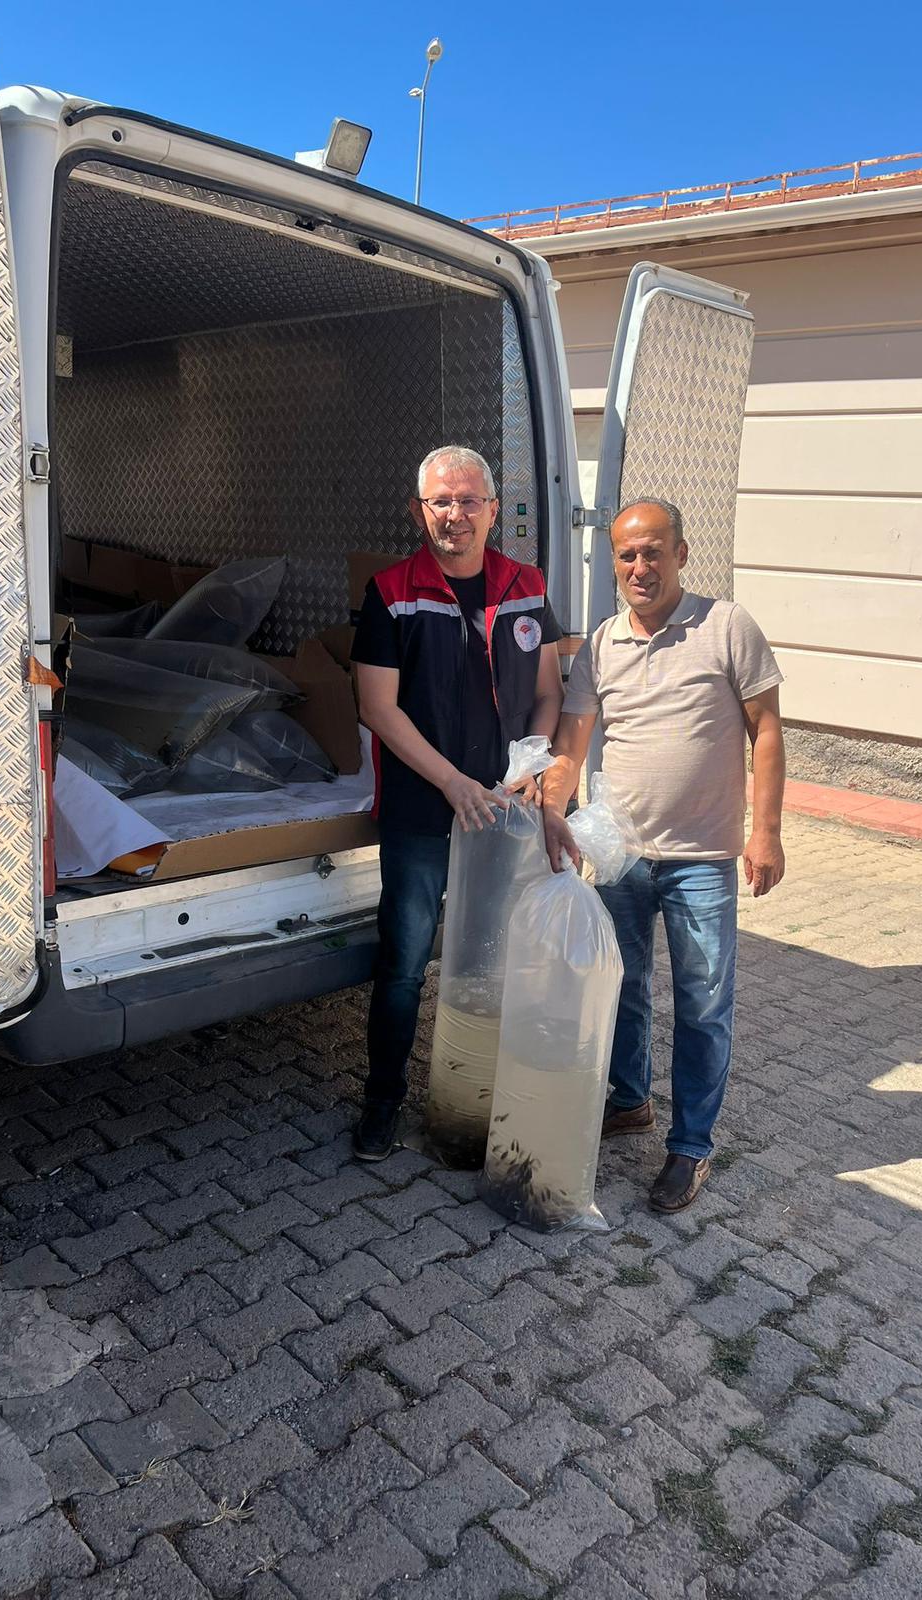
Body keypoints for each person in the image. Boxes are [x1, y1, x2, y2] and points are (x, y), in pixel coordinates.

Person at [541, 498, 786, 1212]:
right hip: (619, 854)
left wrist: (766, 832)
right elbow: (572, 744)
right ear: (613, 564)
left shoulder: (727, 626)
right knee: (619, 986)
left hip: (702, 858)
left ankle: (691, 1146)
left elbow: (767, 731)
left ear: (680, 553)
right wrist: (552, 811)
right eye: (627, 555)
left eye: (653, 551)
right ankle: (629, 1101)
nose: (640, 567)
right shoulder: (602, 644)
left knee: (703, 1003)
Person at [349, 446, 563, 1160]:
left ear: (493, 510)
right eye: (440, 501)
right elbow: (378, 708)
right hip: (423, 811)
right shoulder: (391, 593)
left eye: (469, 500)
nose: (455, 514)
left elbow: (549, 693)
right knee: (405, 962)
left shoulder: (527, 586)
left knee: (494, 961)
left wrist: (530, 765)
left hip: (503, 812)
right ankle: (383, 1102)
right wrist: (450, 782)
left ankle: (482, 1097)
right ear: (419, 511)